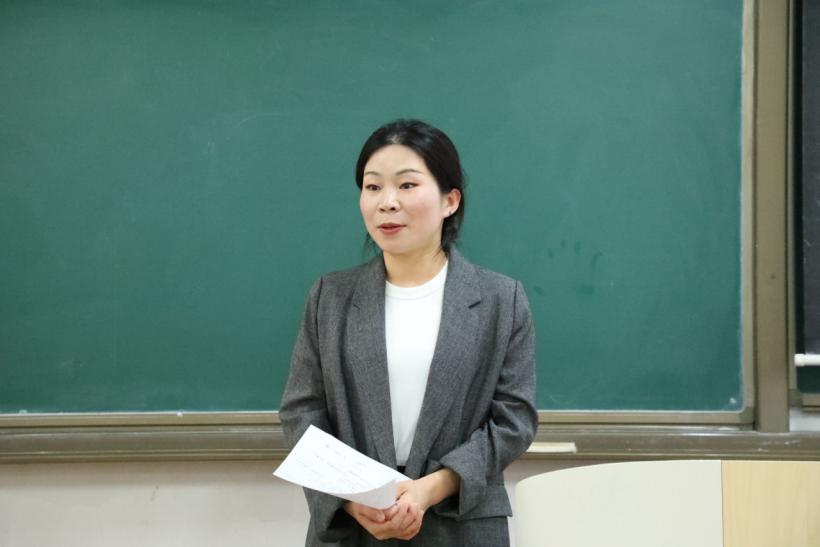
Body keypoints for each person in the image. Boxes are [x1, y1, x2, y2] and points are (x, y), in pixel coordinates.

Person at [279, 119, 537, 546]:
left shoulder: (500, 300)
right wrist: (352, 499)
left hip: (460, 523)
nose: (387, 202)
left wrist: (430, 488)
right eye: (373, 187)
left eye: (407, 185)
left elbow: (515, 419)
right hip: (354, 527)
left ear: (450, 200)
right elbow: (301, 411)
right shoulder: (330, 296)